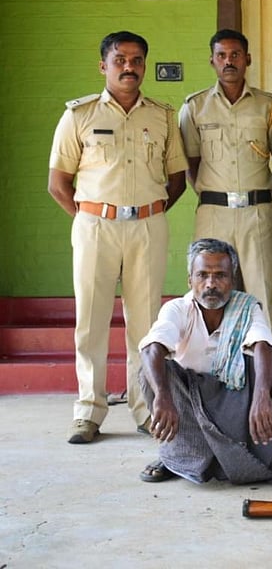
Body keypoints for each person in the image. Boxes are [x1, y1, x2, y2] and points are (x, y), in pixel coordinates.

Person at [48, 31, 187, 444]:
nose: (130, 67)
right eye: (121, 59)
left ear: (145, 64)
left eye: (138, 60)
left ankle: (144, 409)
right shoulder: (79, 115)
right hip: (94, 227)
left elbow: (177, 179)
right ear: (104, 65)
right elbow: (58, 183)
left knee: (145, 321)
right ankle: (88, 410)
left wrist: (147, 212)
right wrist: (91, 218)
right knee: (89, 320)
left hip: (147, 226)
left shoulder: (162, 115)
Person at [178, 29, 272, 433]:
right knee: (208, 303)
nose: (229, 61)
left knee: (262, 304)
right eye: (221, 55)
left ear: (248, 59)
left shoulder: (269, 107)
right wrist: (214, 195)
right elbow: (190, 163)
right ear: (212, 61)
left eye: (236, 54)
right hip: (213, 212)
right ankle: (212, 395)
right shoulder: (194, 108)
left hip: (258, 211)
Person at [137, 238, 272, 485]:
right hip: (186, 401)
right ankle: (174, 458)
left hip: (232, 400)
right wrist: (163, 395)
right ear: (190, 280)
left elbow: (264, 345)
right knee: (152, 369)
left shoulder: (247, 308)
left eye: (220, 275)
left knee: (260, 363)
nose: (211, 284)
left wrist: (263, 396)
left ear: (233, 280)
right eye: (202, 275)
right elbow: (152, 347)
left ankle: (196, 460)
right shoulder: (176, 308)